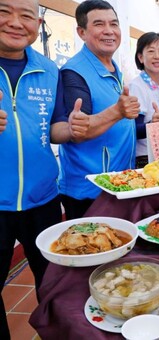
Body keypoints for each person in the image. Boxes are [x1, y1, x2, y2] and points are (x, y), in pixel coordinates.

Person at [0, 0, 90, 338]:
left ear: (37, 23)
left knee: (53, 283)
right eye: (4, 11)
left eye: (25, 15)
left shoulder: (49, 69)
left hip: (43, 200)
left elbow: (55, 128)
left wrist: (73, 129)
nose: (15, 22)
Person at [59, 0, 141, 219]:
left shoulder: (114, 69)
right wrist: (117, 111)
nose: (109, 31)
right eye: (99, 24)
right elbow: (79, 132)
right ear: (82, 32)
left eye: (114, 24)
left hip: (118, 183)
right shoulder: (74, 73)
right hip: (90, 190)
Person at [129, 32, 159, 167]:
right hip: (145, 159)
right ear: (140, 57)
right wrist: (152, 125)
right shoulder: (137, 87)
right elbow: (133, 130)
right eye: (151, 51)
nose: (157, 56)